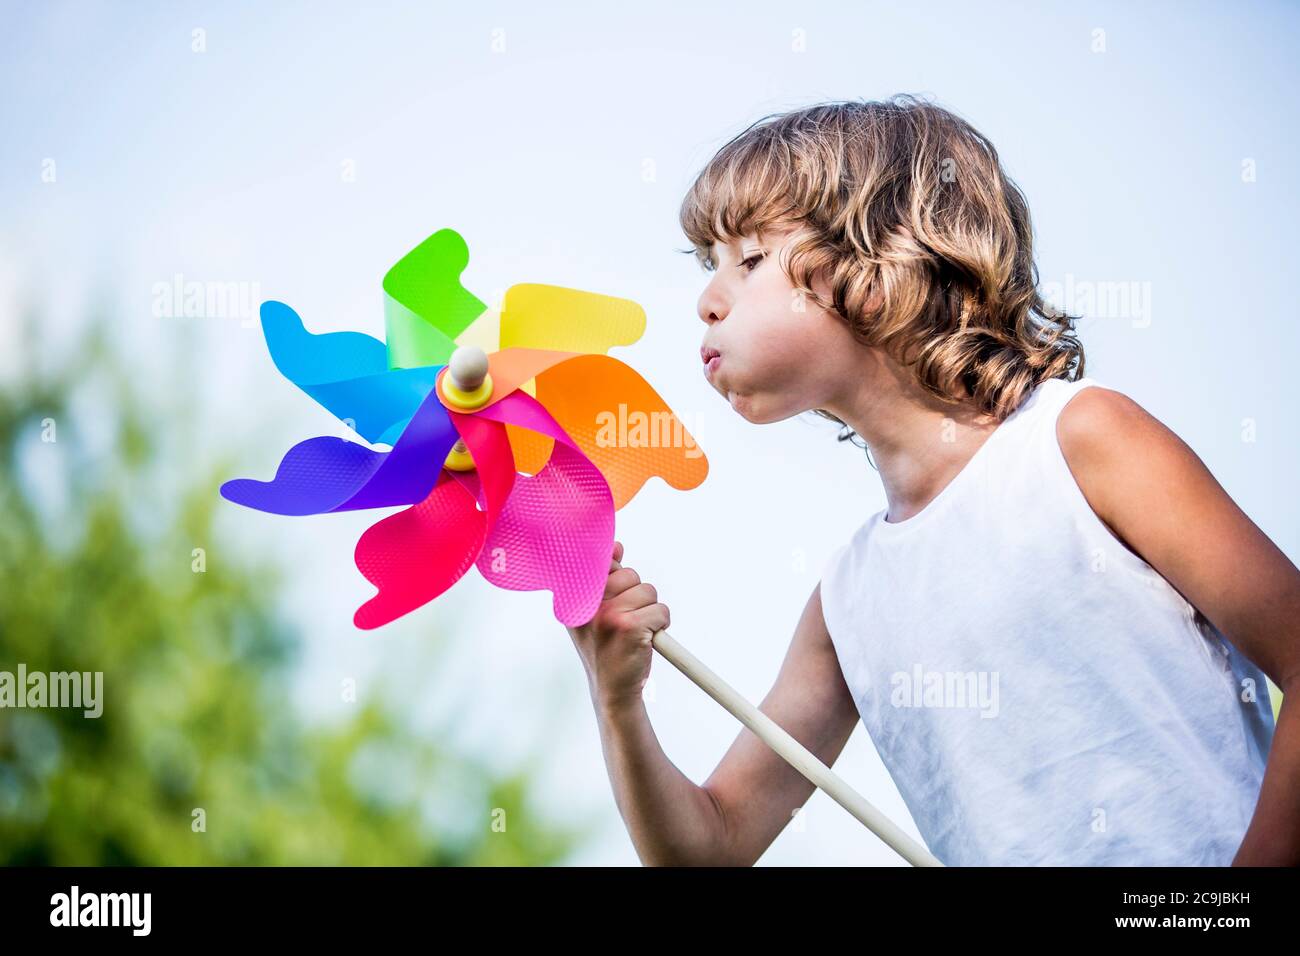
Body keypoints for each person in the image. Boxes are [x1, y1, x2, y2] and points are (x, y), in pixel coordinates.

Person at [566, 95, 1297, 866]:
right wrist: (618, 701)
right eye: (711, 268)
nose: (708, 302)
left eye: (748, 262)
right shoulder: (846, 599)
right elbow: (709, 848)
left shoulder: (1082, 441)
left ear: (879, 269)